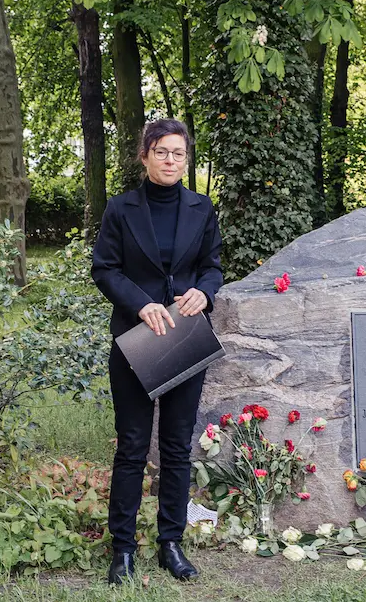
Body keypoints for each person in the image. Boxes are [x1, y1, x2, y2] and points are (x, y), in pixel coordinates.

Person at [91, 119, 223, 584]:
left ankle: (172, 543)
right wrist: (141, 303)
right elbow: (104, 269)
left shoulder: (202, 208)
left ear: (187, 159)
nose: (171, 161)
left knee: (176, 445)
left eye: (179, 154)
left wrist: (204, 293)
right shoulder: (121, 209)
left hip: (185, 334)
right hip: (135, 337)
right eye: (162, 152)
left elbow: (212, 267)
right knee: (130, 446)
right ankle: (122, 548)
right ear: (145, 155)